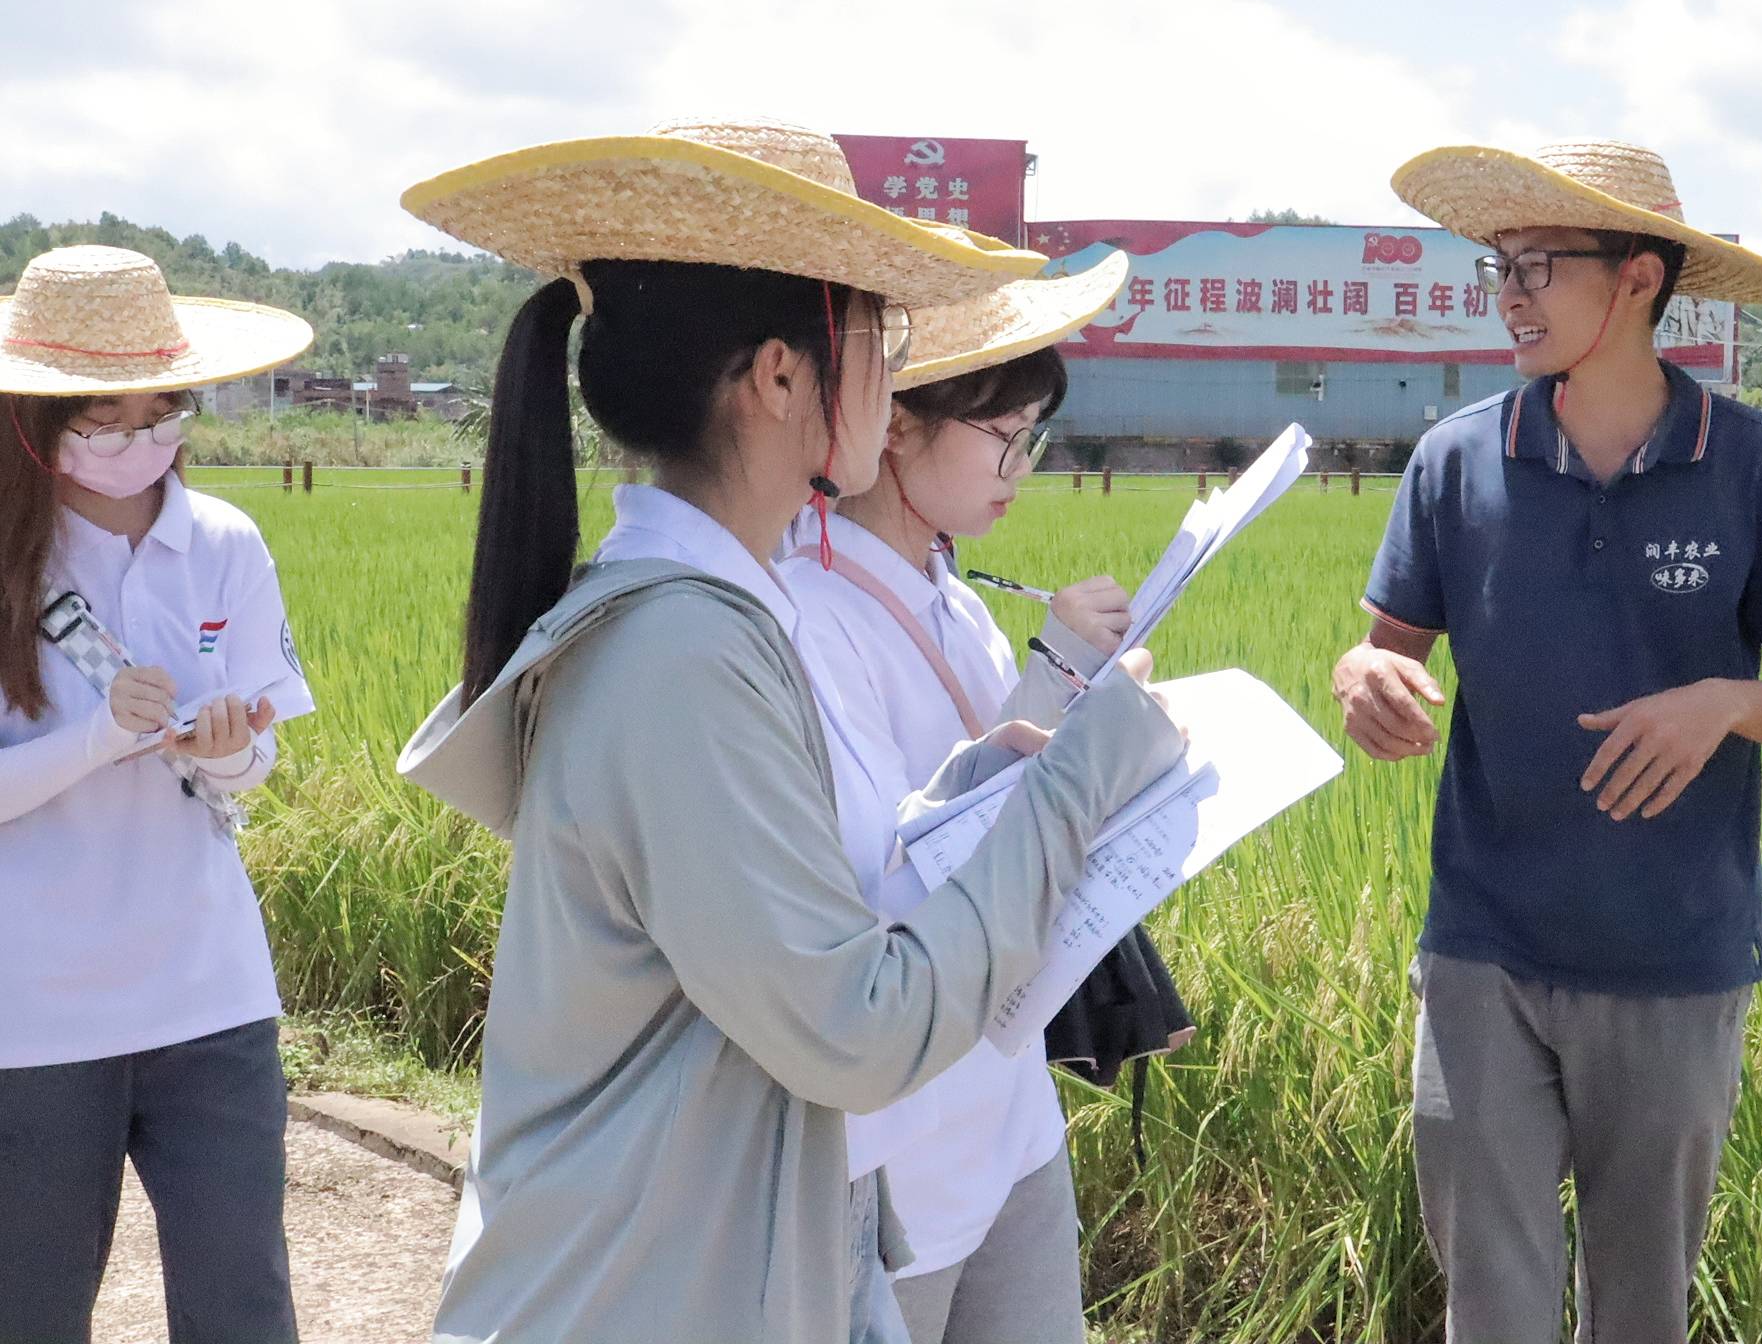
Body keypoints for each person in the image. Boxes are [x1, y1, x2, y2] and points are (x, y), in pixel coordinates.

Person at [391, 118, 1185, 1344]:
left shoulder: (714, 621)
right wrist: (1075, 783)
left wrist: (979, 783)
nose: (892, 373)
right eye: (881, 338)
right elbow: (855, 1027)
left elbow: (789, 899)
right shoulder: (683, 657)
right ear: (776, 377)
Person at [1331, 141, 1762, 1343]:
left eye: (1538, 266)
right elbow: (1386, 652)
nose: (1510, 294)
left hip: (1675, 957)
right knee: (1495, 1305)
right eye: (1499, 268)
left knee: (1641, 1309)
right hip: (1484, 948)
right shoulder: (1458, 460)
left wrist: (1723, 703)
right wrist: (1363, 677)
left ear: (1638, 277)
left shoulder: (1753, 467)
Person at [780, 259, 1189, 1344]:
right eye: (1002, 435)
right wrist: (1058, 700)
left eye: (1031, 437)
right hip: (893, 1132)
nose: (1022, 466)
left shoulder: (957, 600)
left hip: (1006, 1110)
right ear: (895, 425)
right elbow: (896, 868)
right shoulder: (806, 616)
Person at [0, 245, 316, 1344]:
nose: (141, 445)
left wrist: (228, 750)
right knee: (30, 1309)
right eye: (107, 420)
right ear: (37, 422)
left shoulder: (223, 541)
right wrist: (97, 739)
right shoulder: (8, 566)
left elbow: (255, 757)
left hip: (210, 990)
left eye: (162, 414)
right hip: (34, 1011)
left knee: (243, 1306)